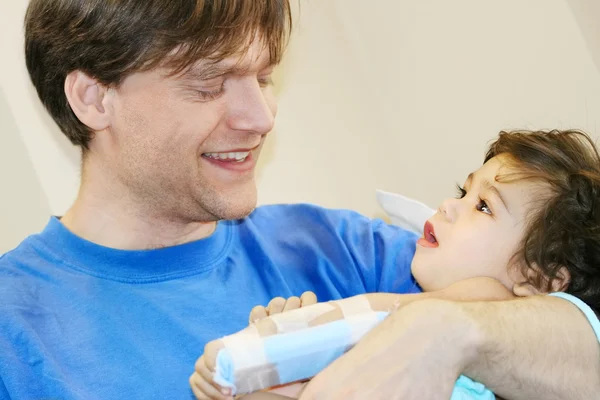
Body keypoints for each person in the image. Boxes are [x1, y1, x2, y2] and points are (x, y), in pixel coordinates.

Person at [0, 0, 597, 398]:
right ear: (94, 98)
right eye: (210, 83)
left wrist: (447, 329)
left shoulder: (346, 249)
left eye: (262, 78)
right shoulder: (16, 331)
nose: (261, 117)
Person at [190, 129, 600, 400]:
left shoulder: (489, 298)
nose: (448, 205)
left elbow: (376, 316)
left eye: (483, 206)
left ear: (538, 279)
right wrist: (273, 381)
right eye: (463, 190)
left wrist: (302, 333)